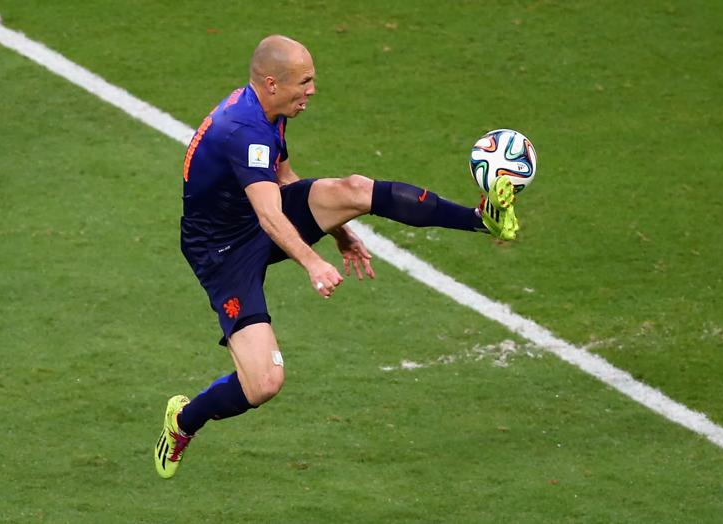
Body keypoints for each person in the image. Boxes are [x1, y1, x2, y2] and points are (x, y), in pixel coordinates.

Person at [154, 34, 519, 479]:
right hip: (222, 253)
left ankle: (482, 219)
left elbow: (284, 178)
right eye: (304, 82)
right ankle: (183, 421)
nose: (312, 91)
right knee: (264, 383)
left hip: (255, 215)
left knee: (353, 190)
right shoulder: (244, 130)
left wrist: (338, 227)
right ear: (272, 83)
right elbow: (270, 215)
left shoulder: (269, 110)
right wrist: (313, 262)